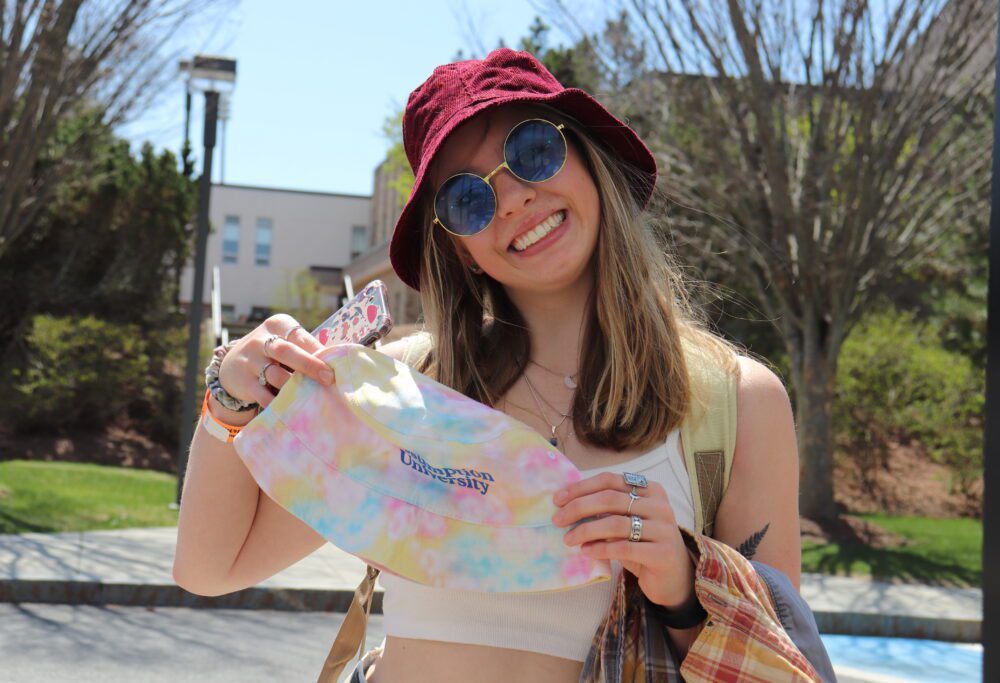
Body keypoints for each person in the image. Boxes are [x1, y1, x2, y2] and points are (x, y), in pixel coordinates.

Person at [173, 48, 802, 683]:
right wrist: (229, 399)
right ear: (461, 251)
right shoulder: (403, 386)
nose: (510, 200)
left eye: (533, 152)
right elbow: (211, 568)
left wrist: (684, 584)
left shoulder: (735, 403)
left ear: (589, 159)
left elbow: (779, 665)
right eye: (467, 200)